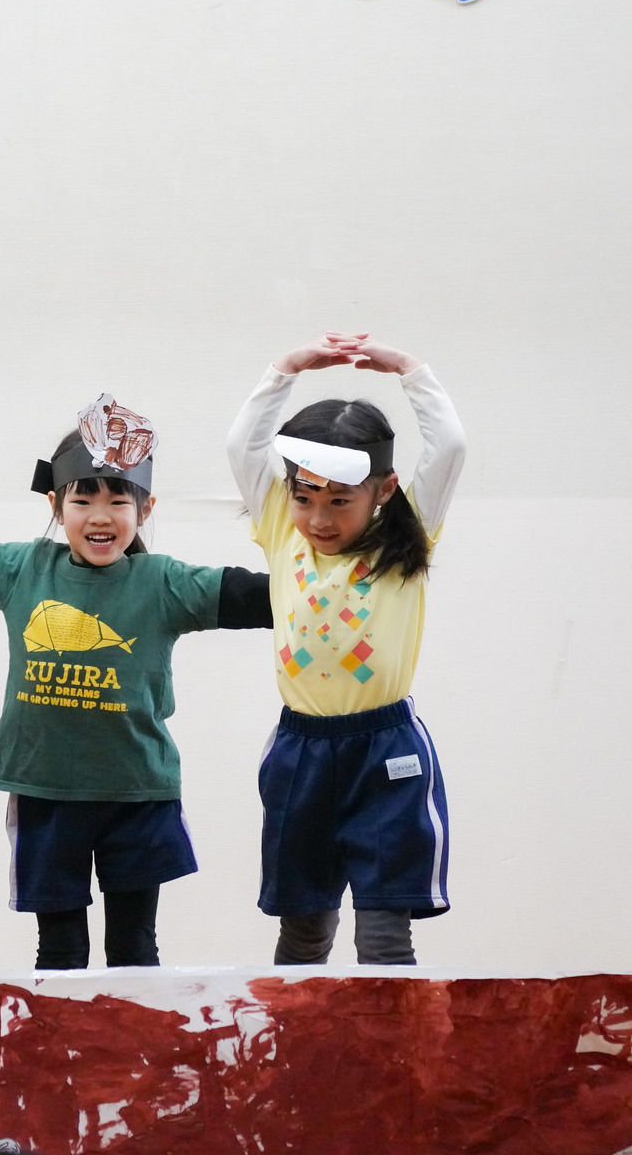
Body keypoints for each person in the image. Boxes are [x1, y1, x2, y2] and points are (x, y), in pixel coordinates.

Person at [0, 400, 271, 969]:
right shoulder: (22, 569)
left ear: (145, 508)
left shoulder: (163, 583)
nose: (100, 516)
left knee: (134, 950)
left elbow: (255, 595)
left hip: (136, 795)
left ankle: (131, 1034)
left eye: (118, 501)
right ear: (55, 504)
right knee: (60, 950)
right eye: (82, 500)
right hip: (46, 793)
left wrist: (329, 586)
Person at [225, 333, 466, 965]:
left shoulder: (406, 538)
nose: (319, 519)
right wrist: (286, 369)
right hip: (301, 748)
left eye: (339, 502)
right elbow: (242, 445)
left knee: (383, 934)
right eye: (305, 499)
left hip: (384, 750)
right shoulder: (281, 530)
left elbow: (450, 446)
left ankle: (389, 1032)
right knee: (303, 929)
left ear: (383, 490)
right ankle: (292, 1031)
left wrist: (410, 370)